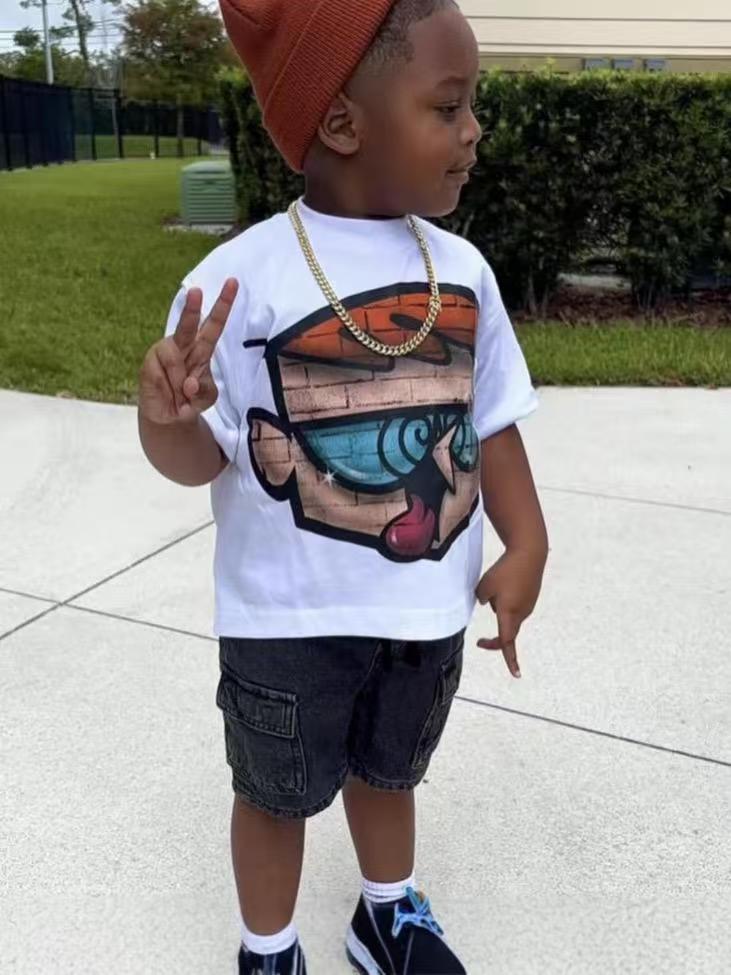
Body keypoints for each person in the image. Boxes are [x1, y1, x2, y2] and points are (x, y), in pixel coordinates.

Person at [137, 0, 548, 971]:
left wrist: (526, 542)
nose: (472, 130)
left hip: (421, 615)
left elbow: (490, 419)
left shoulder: (463, 273)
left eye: (471, 105)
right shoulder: (238, 281)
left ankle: (384, 915)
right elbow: (202, 460)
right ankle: (268, 949)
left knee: (388, 774)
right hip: (285, 622)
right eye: (446, 106)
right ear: (341, 122)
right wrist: (170, 419)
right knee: (272, 795)